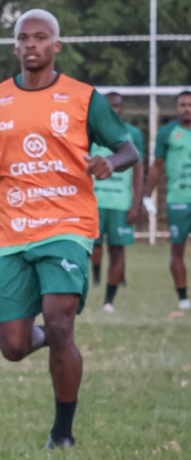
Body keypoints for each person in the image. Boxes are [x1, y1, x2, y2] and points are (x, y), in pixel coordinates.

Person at [0, 9, 138, 448]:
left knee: (60, 323)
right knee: (13, 345)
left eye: (40, 38)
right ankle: (41, 340)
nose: (31, 45)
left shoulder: (84, 98)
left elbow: (128, 148)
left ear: (56, 45)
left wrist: (110, 162)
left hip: (67, 225)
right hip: (12, 231)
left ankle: (62, 433)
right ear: (15, 46)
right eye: (23, 38)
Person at [89, 92, 145, 311]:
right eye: (110, 106)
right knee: (91, 247)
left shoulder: (132, 134)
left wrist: (136, 203)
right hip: (94, 201)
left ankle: (109, 300)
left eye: (117, 107)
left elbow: (139, 170)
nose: (114, 110)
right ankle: (92, 280)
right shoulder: (92, 132)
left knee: (117, 250)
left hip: (121, 203)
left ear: (123, 109)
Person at [146, 90, 191, 310]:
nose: (186, 108)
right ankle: (183, 298)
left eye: (190, 104)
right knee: (177, 249)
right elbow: (157, 167)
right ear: (176, 107)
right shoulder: (167, 132)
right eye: (182, 104)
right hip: (178, 199)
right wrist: (147, 195)